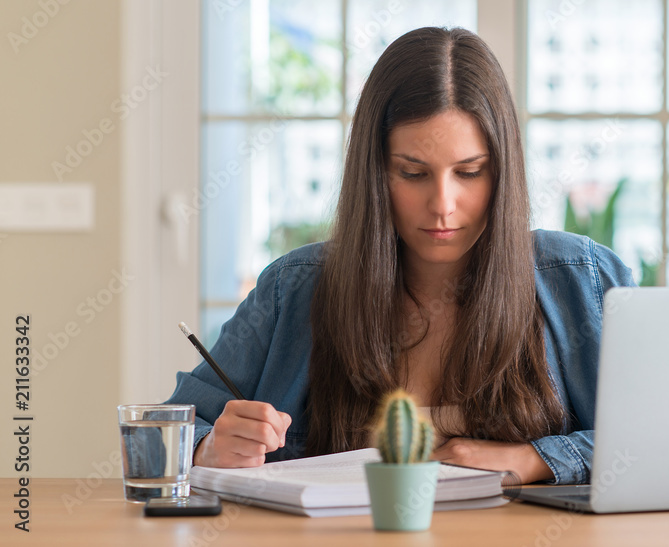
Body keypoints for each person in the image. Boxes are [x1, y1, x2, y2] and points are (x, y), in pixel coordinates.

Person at [164, 26, 635, 485]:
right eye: (413, 173)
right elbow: (167, 438)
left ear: (502, 173)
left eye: (469, 172)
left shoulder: (582, 279)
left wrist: (533, 459)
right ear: (375, 174)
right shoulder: (294, 289)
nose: (443, 204)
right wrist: (209, 449)